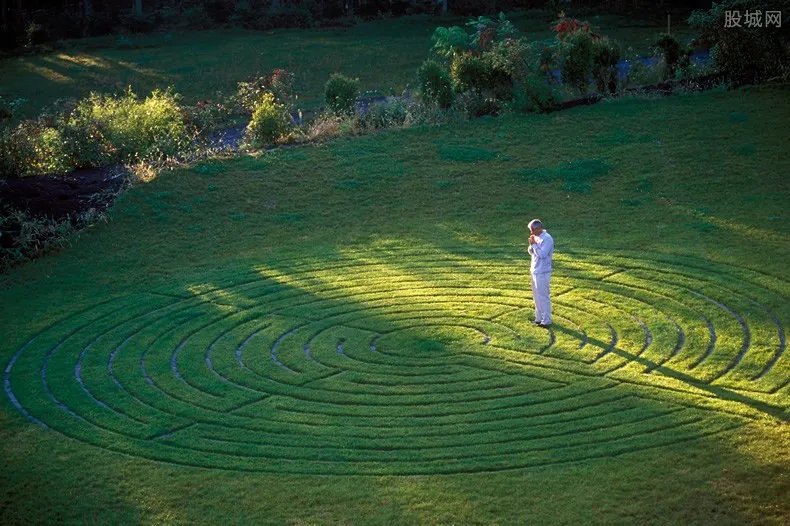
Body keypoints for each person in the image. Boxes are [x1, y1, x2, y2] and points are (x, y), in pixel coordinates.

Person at [527, 219, 554, 327]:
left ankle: (546, 320)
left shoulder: (547, 239)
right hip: (534, 270)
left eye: (532, 230)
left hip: (543, 271)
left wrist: (534, 245)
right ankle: (539, 318)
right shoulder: (536, 237)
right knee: (536, 296)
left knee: (543, 296)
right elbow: (531, 252)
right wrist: (531, 245)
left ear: (538, 228)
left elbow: (543, 254)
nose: (531, 232)